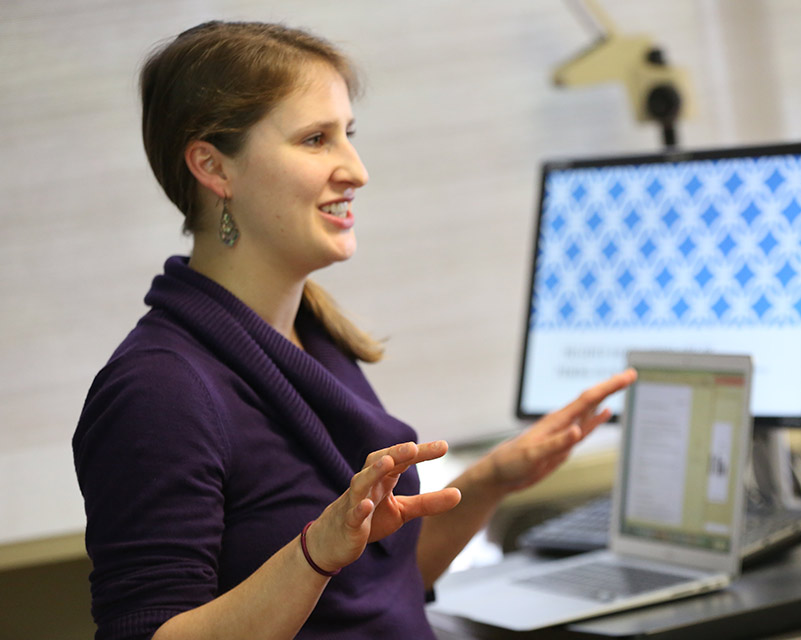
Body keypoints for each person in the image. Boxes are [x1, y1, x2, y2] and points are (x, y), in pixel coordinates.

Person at [72, 20, 636, 640]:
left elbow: (372, 591)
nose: (356, 170)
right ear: (212, 166)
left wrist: (491, 482)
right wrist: (312, 554)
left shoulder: (313, 339)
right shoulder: (159, 392)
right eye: (316, 139)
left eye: (348, 135)